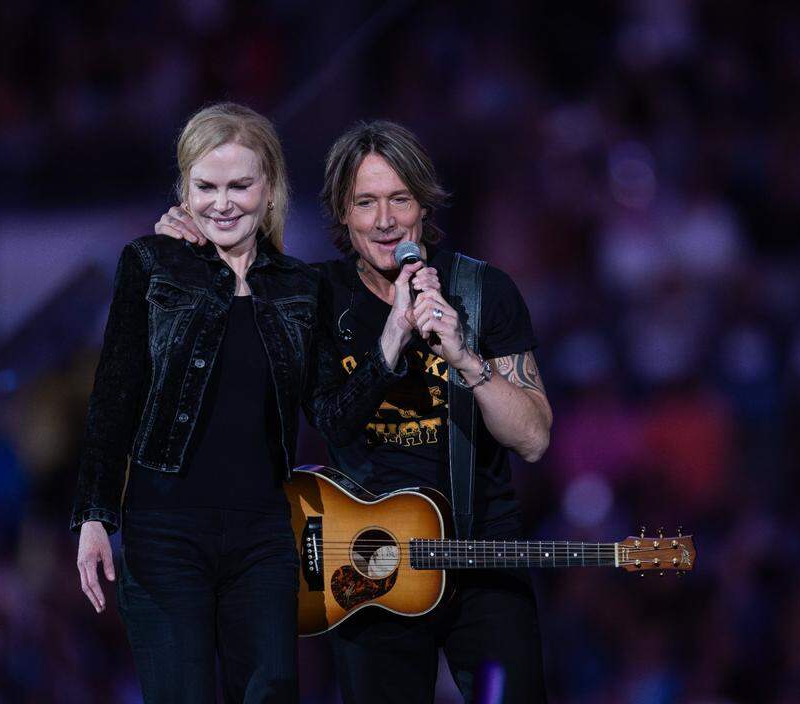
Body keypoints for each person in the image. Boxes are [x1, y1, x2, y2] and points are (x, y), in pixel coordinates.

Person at [156, 119, 552, 703]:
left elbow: (534, 440)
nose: (385, 220)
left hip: (481, 556)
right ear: (342, 213)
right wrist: (391, 340)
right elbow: (329, 419)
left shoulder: (480, 291)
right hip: (368, 564)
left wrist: (466, 359)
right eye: (366, 203)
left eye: (400, 200)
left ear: (424, 206)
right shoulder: (314, 297)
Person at [72, 104, 434, 703]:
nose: (222, 204)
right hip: (165, 534)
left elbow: (333, 414)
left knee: (272, 692)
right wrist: (93, 515)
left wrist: (392, 339)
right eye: (205, 187)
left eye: (239, 186)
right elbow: (114, 395)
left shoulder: (300, 286)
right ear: (184, 190)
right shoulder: (152, 264)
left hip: (264, 536)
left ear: (269, 190)